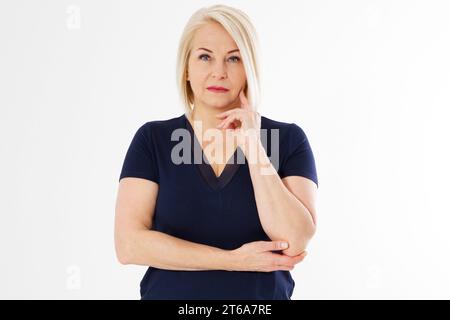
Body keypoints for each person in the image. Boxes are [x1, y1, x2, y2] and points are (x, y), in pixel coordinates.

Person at [114, 4, 318, 300]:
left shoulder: (287, 140)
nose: (219, 72)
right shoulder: (153, 140)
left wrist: (253, 146)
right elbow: (129, 244)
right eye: (205, 57)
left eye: (233, 58)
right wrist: (233, 261)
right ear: (186, 68)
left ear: (249, 68)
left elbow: (295, 239)